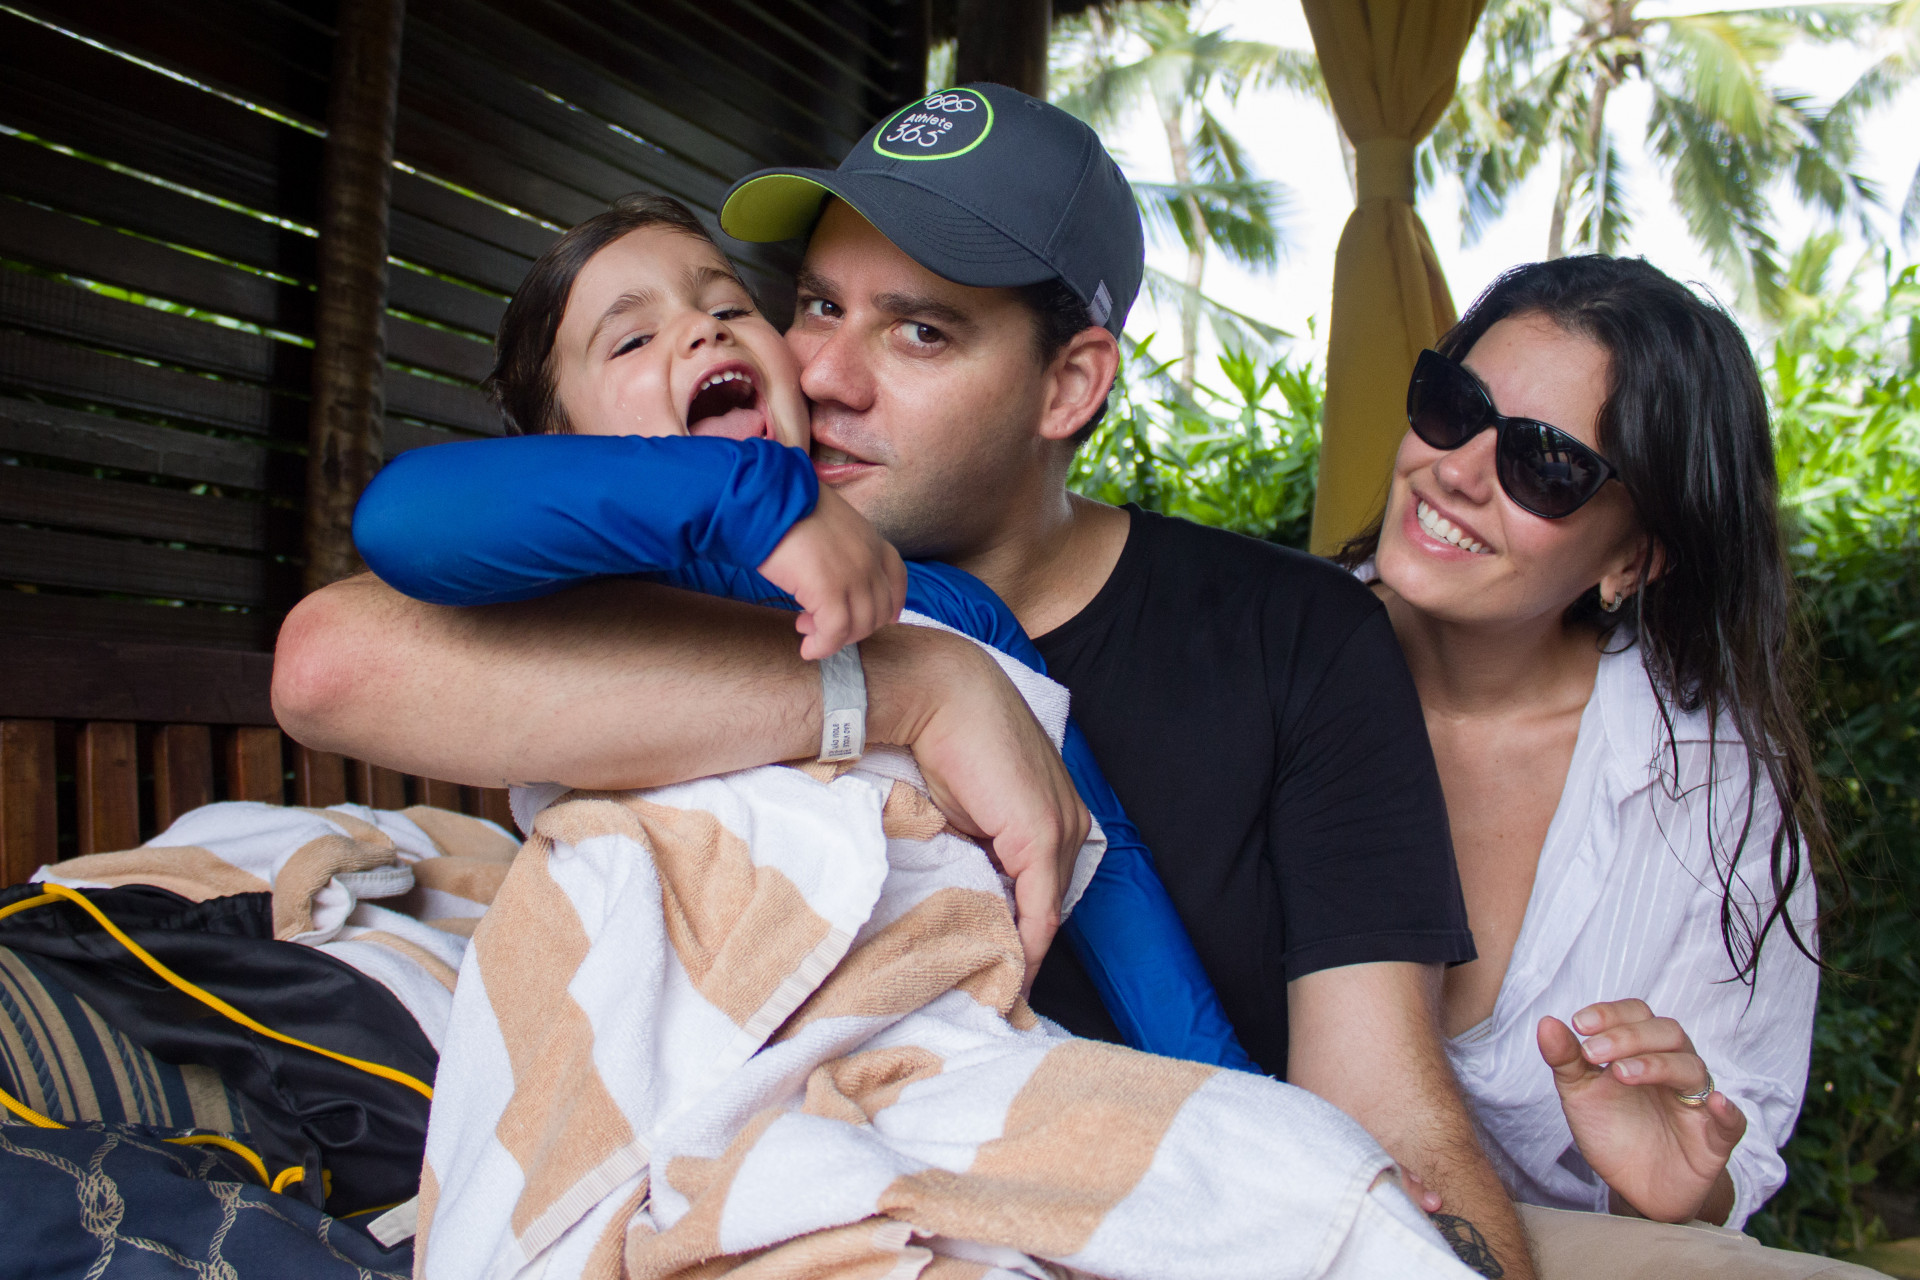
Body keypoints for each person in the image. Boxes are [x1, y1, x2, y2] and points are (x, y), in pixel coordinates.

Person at [275, 84, 1531, 1278]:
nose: (822, 373)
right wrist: (775, 539)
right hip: (649, 1047)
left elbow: (1111, 877)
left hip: (927, 1088)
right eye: (815, 305)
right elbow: (386, 567)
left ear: (1071, 383)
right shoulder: (603, 594)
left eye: (920, 328)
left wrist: (1253, 1134)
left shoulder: (1210, 631)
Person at [352, 191, 1258, 1072]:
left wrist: (1232, 1092)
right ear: (558, 444)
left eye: (730, 305)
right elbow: (400, 520)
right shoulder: (583, 593)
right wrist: (742, 498)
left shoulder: (943, 606)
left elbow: (1100, 853)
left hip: (922, 1049)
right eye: (632, 338)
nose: (702, 330)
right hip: (651, 1046)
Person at [1344, 255, 1873, 1277]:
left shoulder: (1712, 787)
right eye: (1454, 405)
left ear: (1634, 559)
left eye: (1545, 464)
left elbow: (1733, 1134)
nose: (1458, 469)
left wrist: (1682, 1183)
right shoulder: (1258, 655)